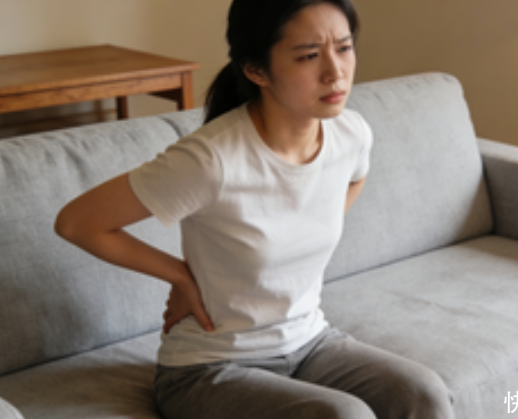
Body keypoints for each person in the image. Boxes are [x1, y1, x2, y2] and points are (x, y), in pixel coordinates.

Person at [54, 0, 454, 418]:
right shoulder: (211, 159)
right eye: (309, 55)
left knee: (423, 393)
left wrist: (312, 225)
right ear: (256, 70)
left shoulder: (351, 134)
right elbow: (78, 222)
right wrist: (181, 275)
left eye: (344, 47)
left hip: (310, 342)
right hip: (208, 366)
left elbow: (356, 178)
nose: (335, 72)